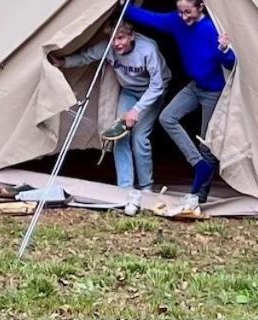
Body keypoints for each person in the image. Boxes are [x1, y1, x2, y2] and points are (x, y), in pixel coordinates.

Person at [123, 0, 234, 212]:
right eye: (181, 12)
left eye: (188, 12)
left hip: (214, 91)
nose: (184, 17)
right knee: (167, 118)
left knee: (207, 143)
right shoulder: (176, 22)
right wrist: (124, 7)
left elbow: (230, 64)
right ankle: (198, 165)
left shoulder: (210, 29)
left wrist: (225, 50)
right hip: (195, 86)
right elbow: (151, 19)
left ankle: (197, 195)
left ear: (200, 7)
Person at [48, 21, 170, 215]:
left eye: (120, 38)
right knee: (119, 136)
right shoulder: (108, 48)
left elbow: (157, 85)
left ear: (132, 36)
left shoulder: (148, 50)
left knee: (139, 138)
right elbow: (86, 57)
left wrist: (136, 111)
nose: (116, 44)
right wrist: (63, 63)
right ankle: (125, 189)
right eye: (113, 39)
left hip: (151, 93)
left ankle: (146, 188)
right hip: (129, 92)